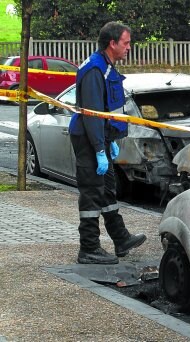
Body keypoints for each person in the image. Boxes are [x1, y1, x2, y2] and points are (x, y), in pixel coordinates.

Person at [69, 21, 146, 264]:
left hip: (101, 138)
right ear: (112, 43)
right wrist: (100, 148)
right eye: (126, 43)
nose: (129, 47)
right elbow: (92, 115)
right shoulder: (95, 70)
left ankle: (120, 238)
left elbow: (106, 110)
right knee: (92, 192)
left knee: (108, 189)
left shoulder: (106, 66)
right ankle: (89, 248)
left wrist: (109, 140)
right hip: (89, 139)